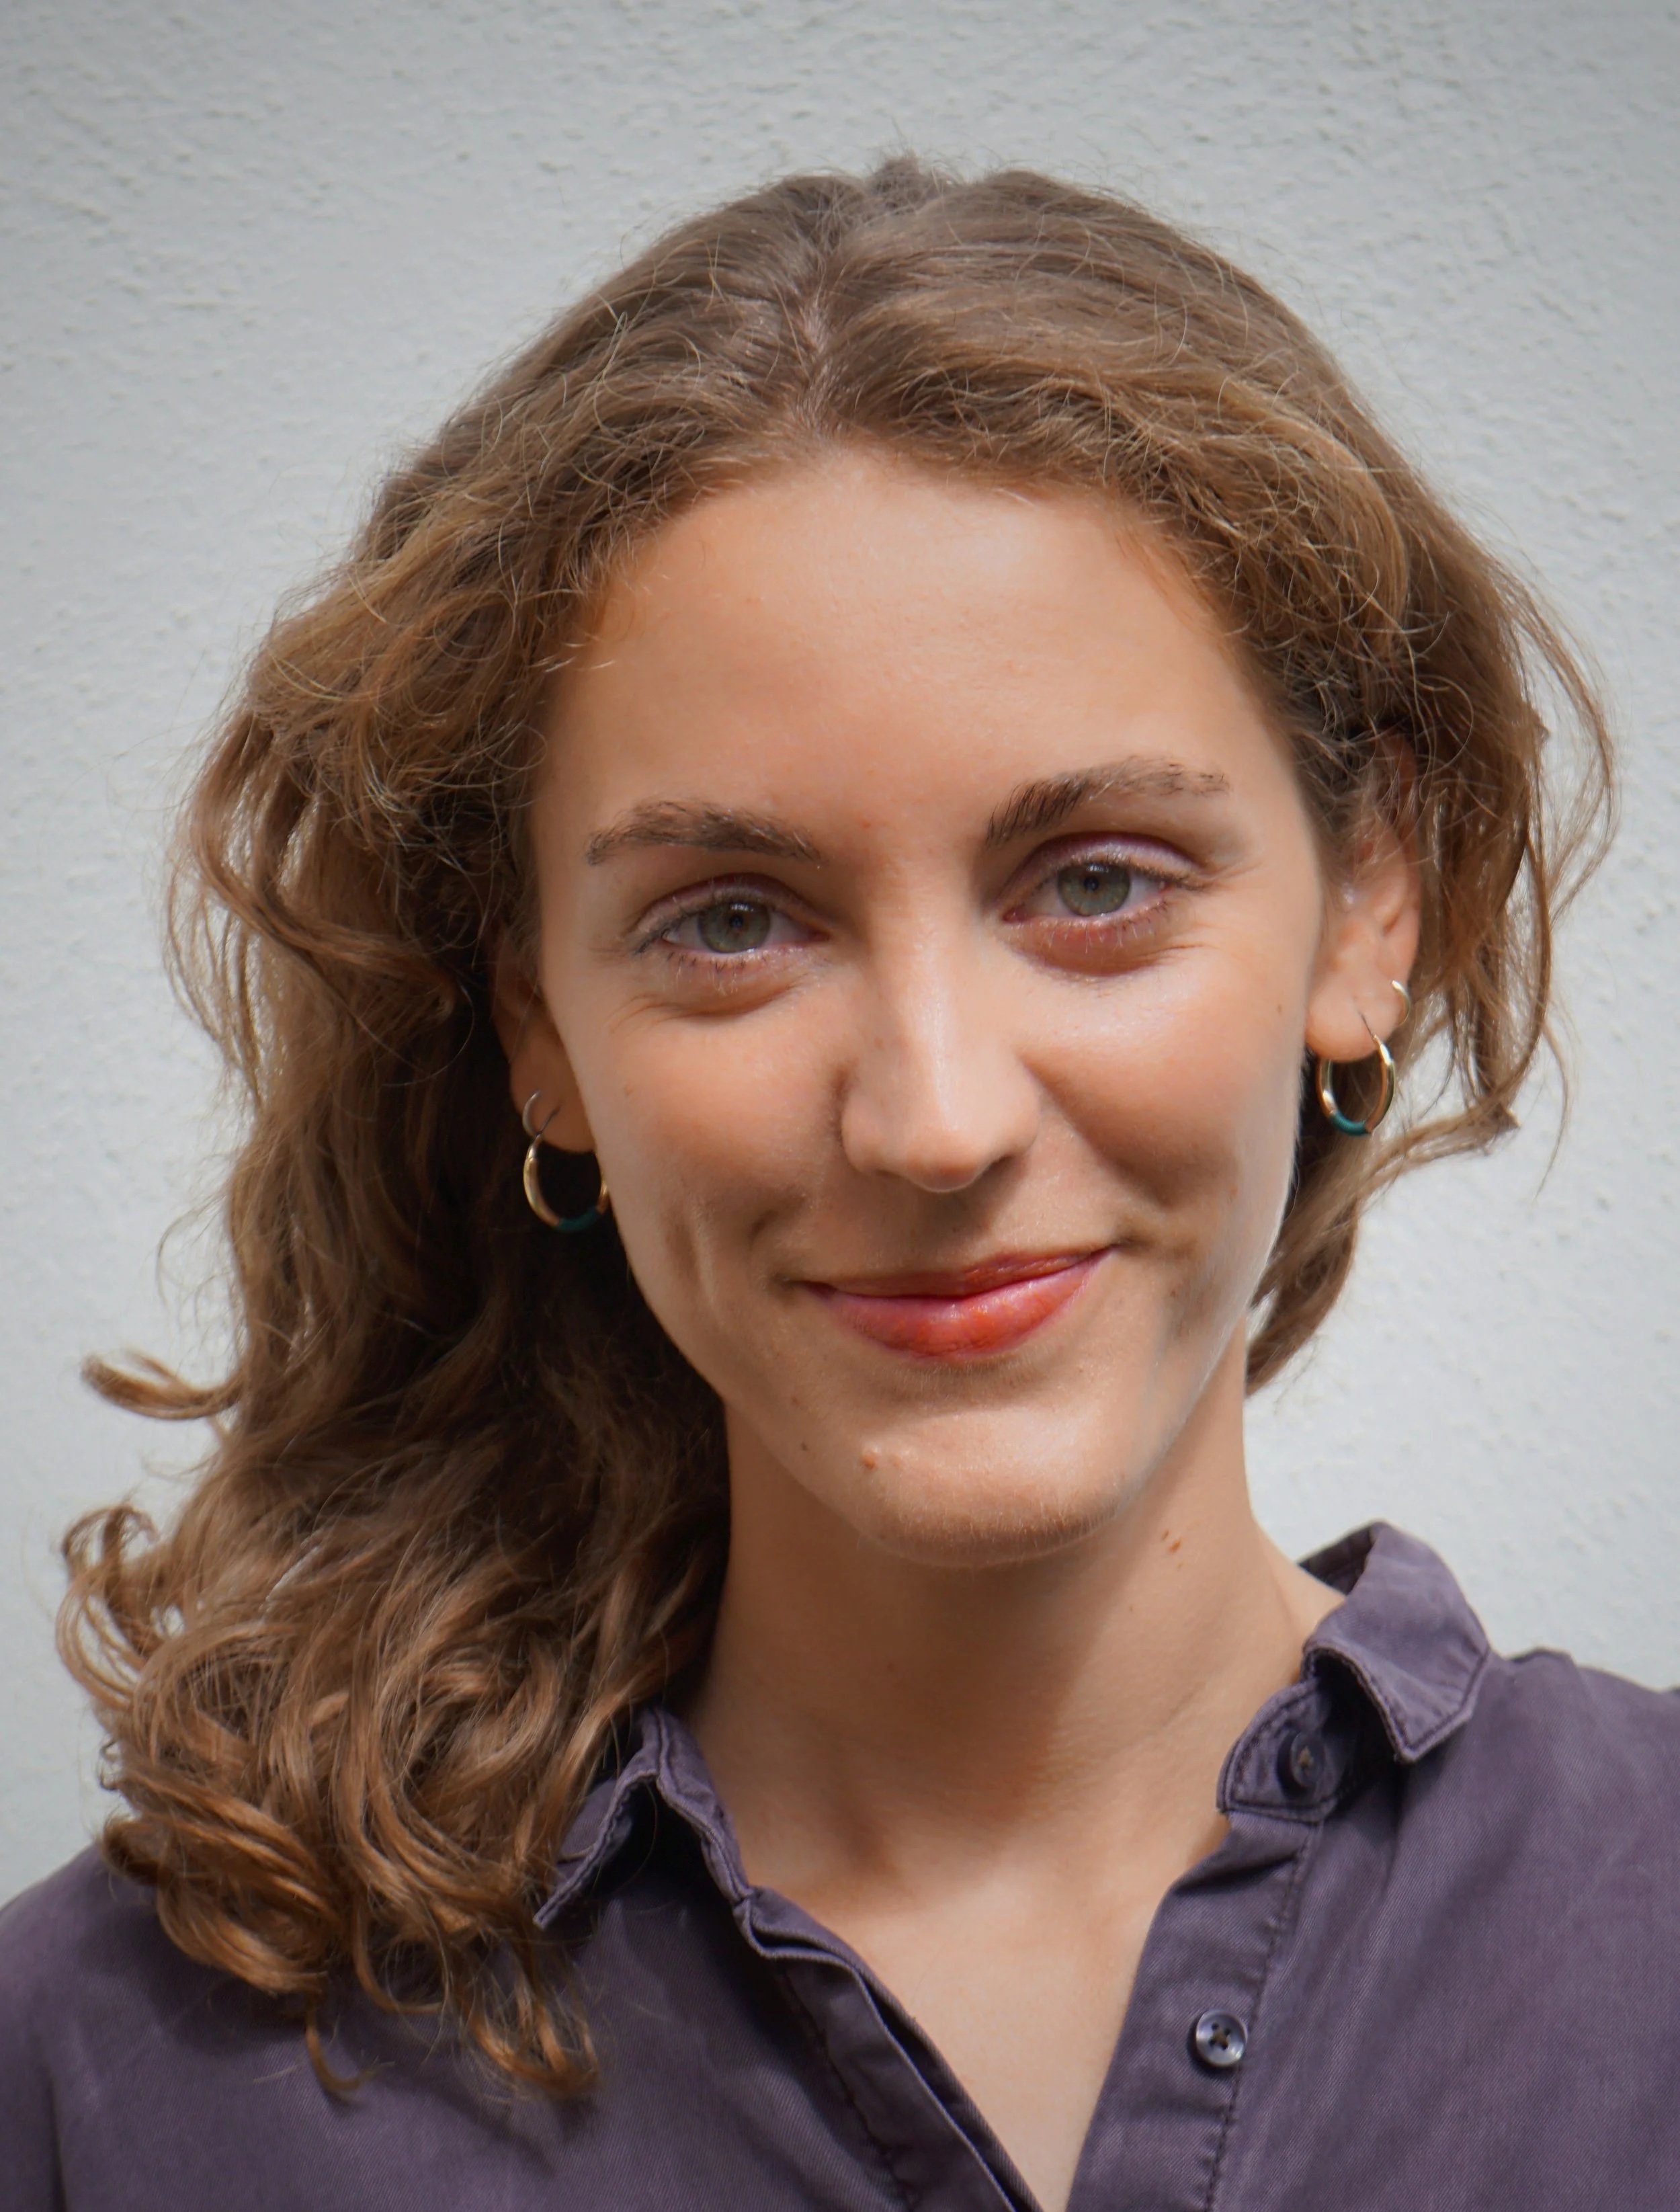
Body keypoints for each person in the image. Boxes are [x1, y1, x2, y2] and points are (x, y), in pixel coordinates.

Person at [0, 155, 1665, 2212]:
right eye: (729, 921)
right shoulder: (118, 2071)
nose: (933, 1120)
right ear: (537, 1019)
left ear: (1367, 904)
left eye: (1093, 884)